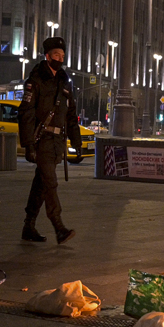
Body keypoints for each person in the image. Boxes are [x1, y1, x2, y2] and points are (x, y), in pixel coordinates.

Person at [18, 36, 81, 244]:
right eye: (56, 55)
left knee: (41, 184)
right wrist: (28, 145)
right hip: (42, 140)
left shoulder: (64, 82)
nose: (60, 59)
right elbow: (26, 113)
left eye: (62, 56)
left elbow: (71, 116)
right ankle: (59, 226)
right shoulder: (35, 80)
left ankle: (28, 225)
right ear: (47, 56)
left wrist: (77, 142)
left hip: (57, 143)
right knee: (51, 183)